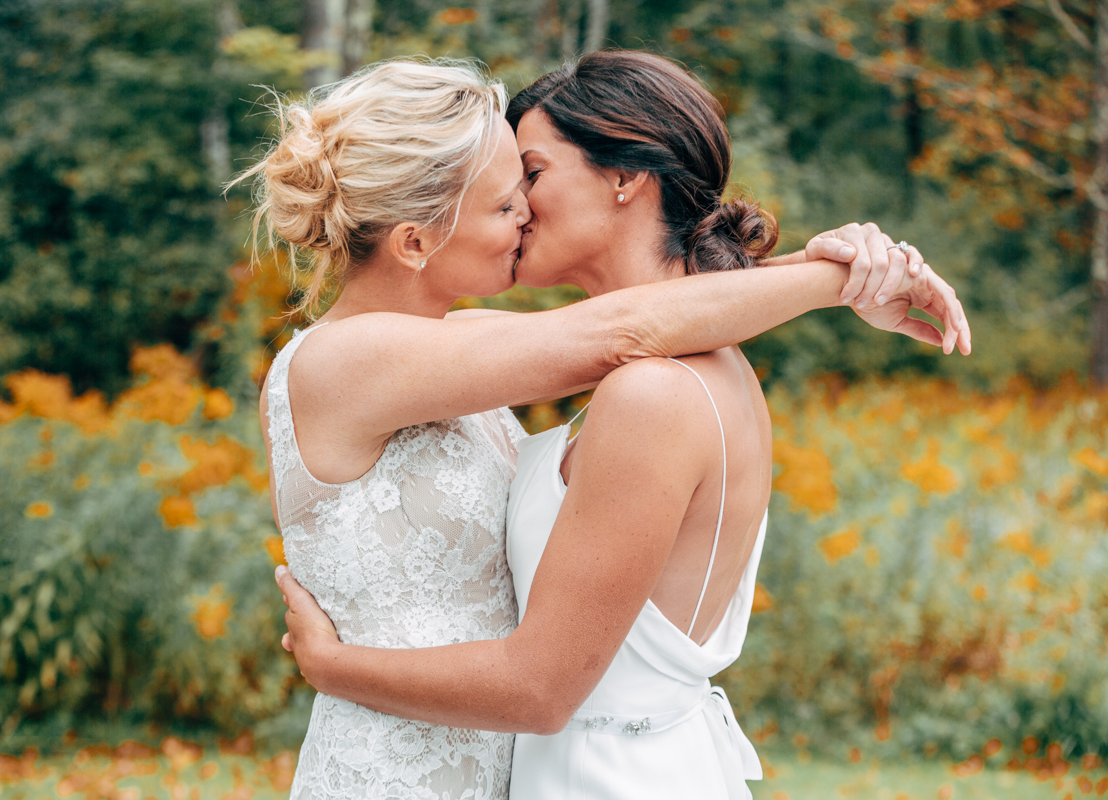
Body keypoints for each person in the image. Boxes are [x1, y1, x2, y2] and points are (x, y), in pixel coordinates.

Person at [245, 55, 969, 800]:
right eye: (503, 200)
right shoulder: (351, 360)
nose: (523, 209)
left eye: (530, 177)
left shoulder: (487, 357)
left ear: (625, 177)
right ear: (415, 240)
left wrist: (836, 270)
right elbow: (621, 329)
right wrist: (834, 277)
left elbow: (643, 321)